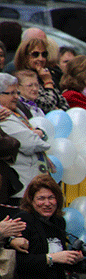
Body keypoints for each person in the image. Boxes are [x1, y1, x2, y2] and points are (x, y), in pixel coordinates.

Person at [0, 74, 50, 203]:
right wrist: (40, 138)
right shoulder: (3, 116)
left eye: (16, 92)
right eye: (11, 93)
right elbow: (30, 143)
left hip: (31, 186)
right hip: (21, 189)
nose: (16, 96)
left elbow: (36, 135)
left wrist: (40, 134)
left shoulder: (18, 111)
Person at [12, 38, 68, 113]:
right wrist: (48, 82)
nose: (41, 59)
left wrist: (59, 110)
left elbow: (65, 104)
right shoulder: (20, 78)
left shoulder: (45, 75)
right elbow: (47, 106)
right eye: (35, 54)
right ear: (25, 57)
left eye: (44, 54)